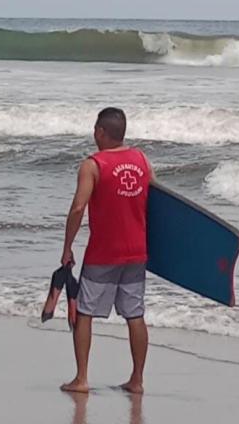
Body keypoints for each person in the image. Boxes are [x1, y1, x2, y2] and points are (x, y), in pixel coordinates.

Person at [59, 107, 153, 394]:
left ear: (101, 132)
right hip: (137, 251)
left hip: (103, 253)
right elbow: (157, 203)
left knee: (84, 312)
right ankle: (137, 380)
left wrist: (67, 248)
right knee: (134, 314)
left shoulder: (93, 165)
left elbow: (78, 208)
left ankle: (82, 378)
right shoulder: (142, 159)